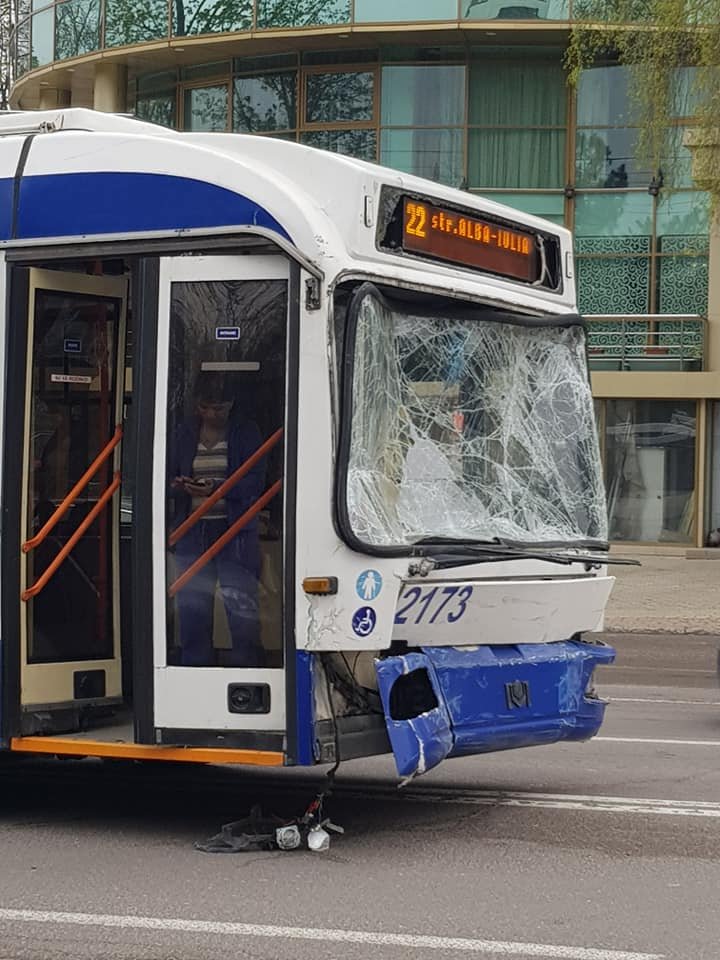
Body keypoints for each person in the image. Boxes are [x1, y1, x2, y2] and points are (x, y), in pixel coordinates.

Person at [170, 371, 266, 667]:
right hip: (191, 529)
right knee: (192, 610)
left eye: (219, 408)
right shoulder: (182, 434)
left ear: (232, 405)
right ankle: (195, 675)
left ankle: (247, 674)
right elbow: (163, 473)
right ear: (197, 406)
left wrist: (219, 490)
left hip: (233, 529)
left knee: (241, 610)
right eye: (206, 407)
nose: (212, 414)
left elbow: (256, 482)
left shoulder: (246, 433)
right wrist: (180, 485)